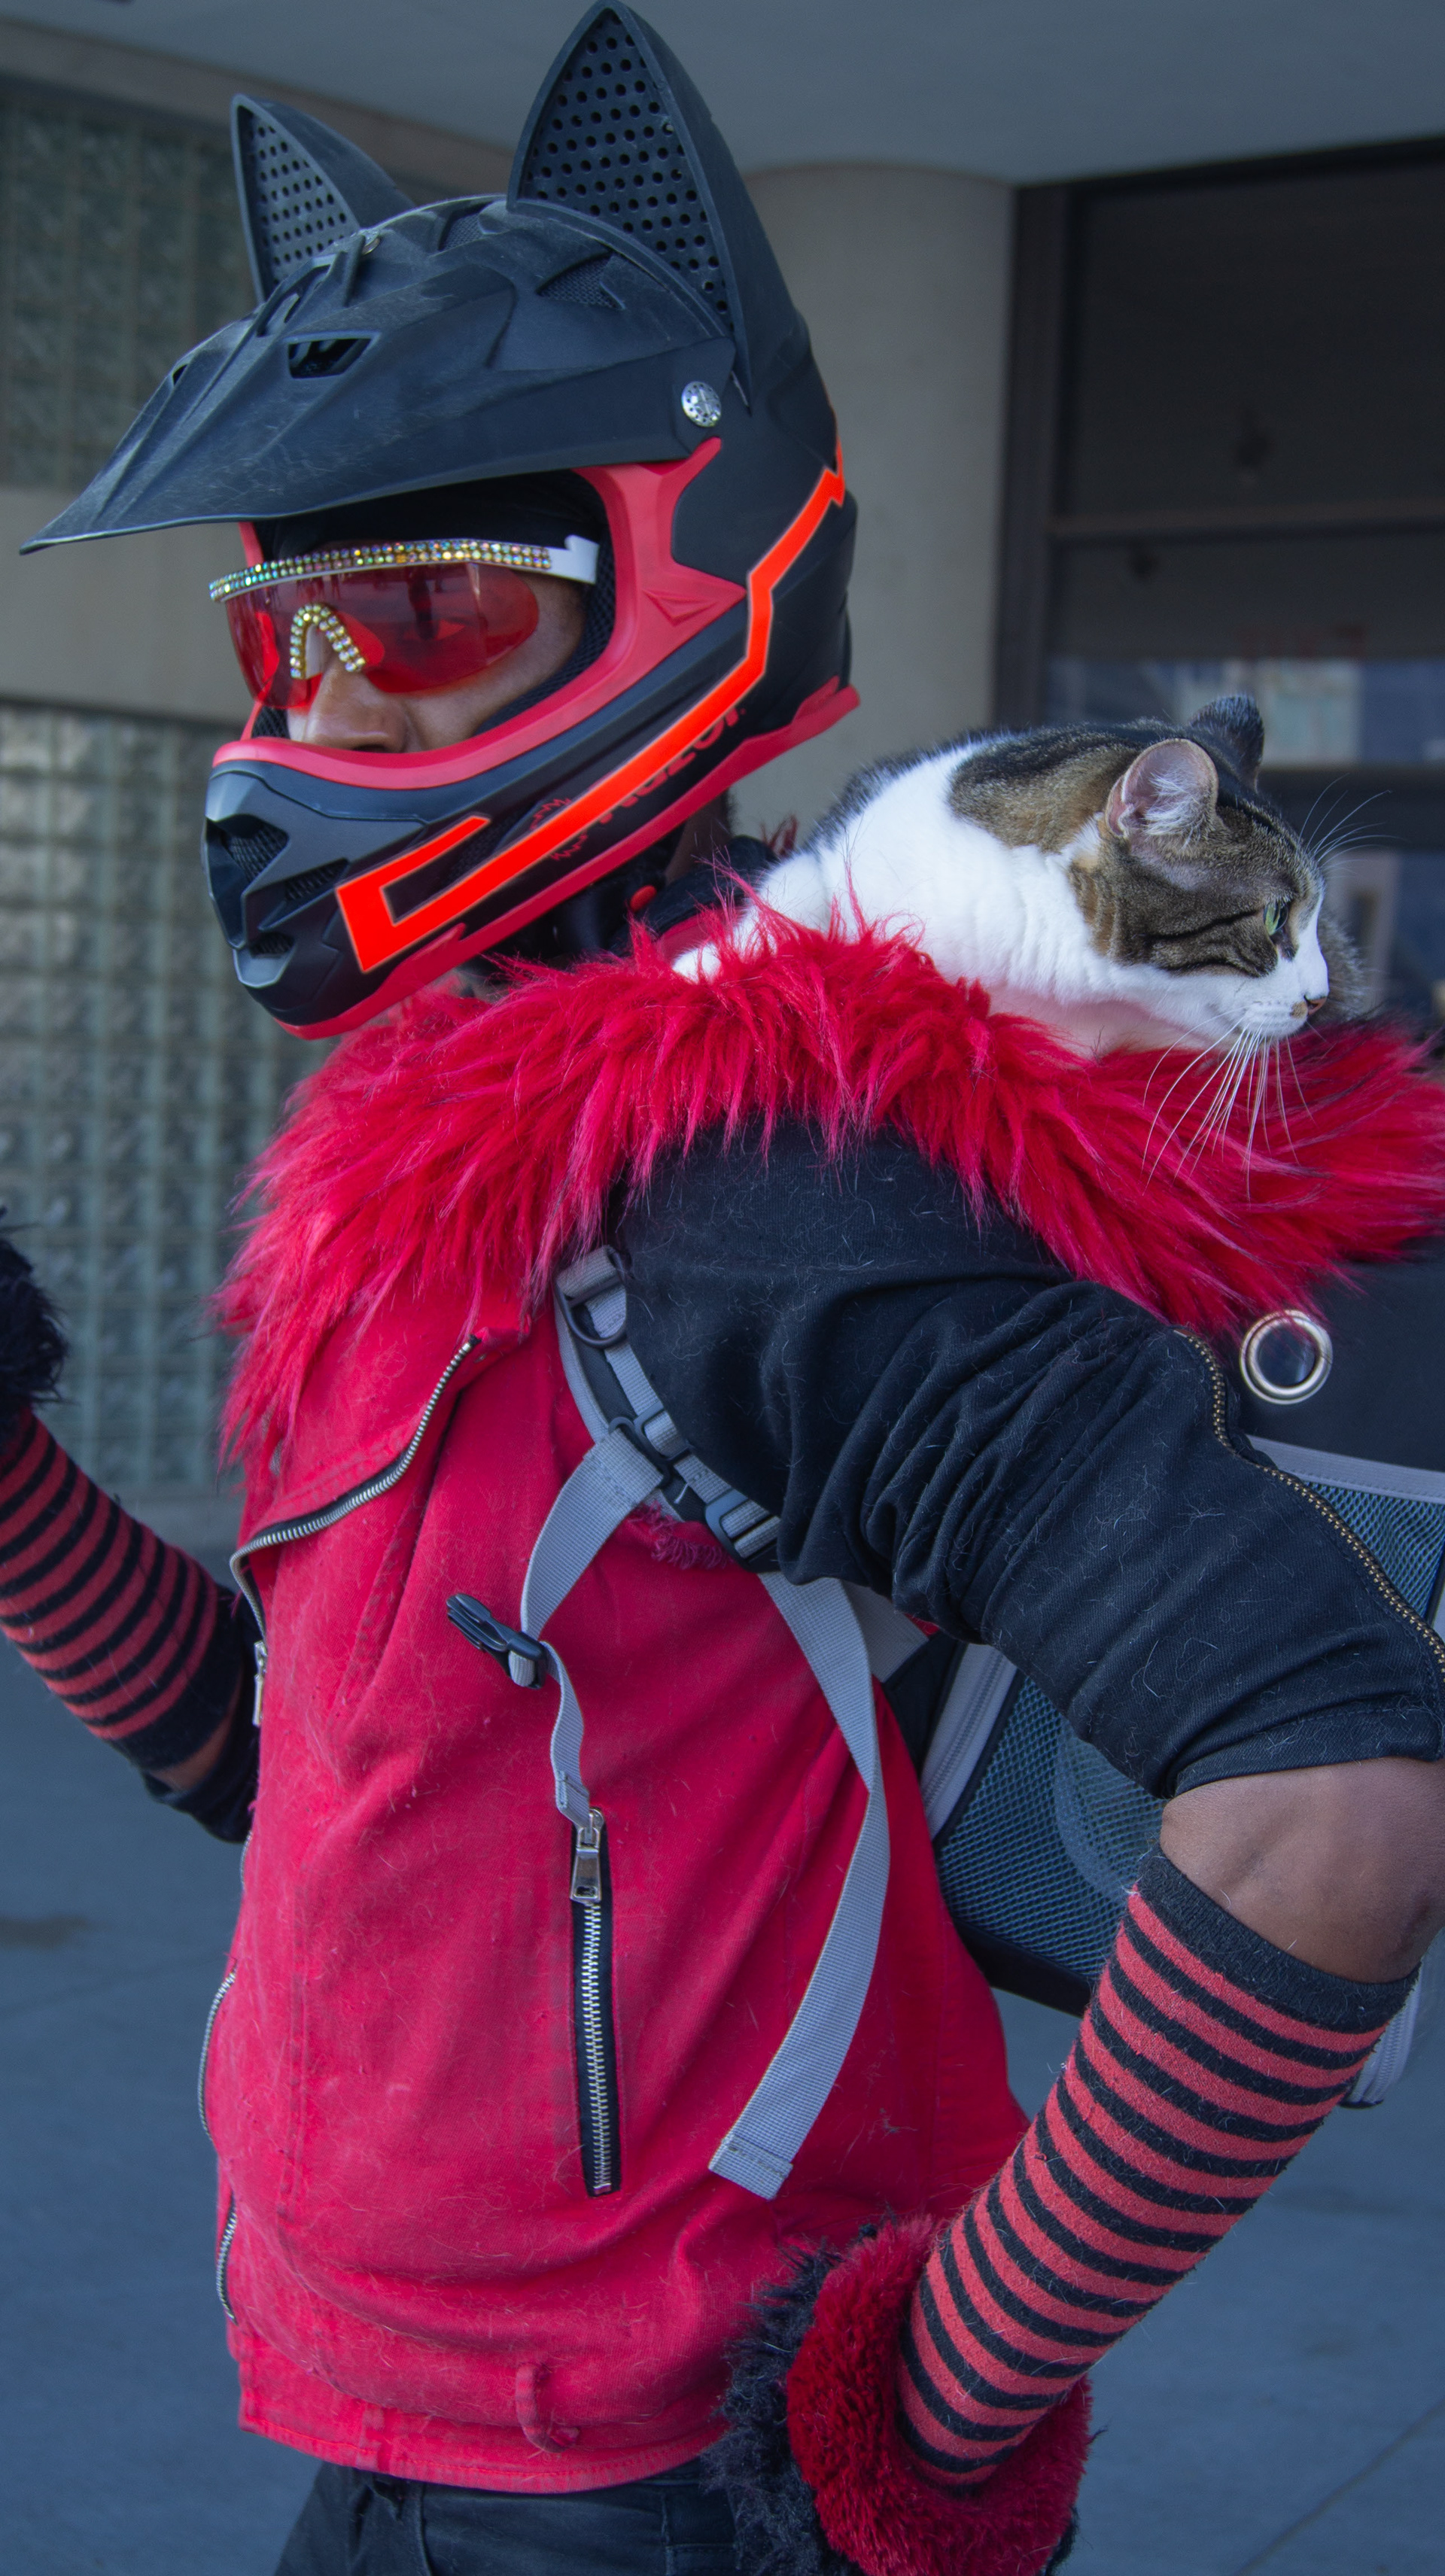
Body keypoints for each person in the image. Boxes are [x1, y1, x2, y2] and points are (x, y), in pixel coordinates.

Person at [6, 11, 1445, 2574]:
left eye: (414, 617)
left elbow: (1330, 1803)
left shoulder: (770, 1183)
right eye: (288, 640)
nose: (311, 714)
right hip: (381, 2404)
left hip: (667, 2486)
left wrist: (928, 2396)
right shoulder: (430, 1167)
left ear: (672, 592)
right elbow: (280, 1757)